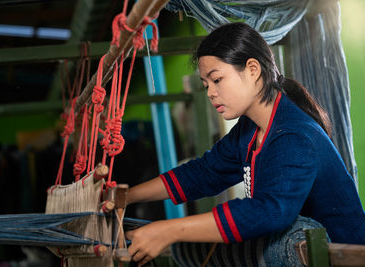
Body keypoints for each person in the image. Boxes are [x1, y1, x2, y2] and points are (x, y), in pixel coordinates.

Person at [124, 22, 365, 266]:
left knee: (282, 236)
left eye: (217, 80)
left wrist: (170, 230)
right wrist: (128, 196)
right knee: (188, 247)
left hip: (341, 257)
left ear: (252, 69)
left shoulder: (294, 135)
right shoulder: (249, 130)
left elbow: (270, 212)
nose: (210, 93)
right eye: (206, 84)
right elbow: (204, 173)